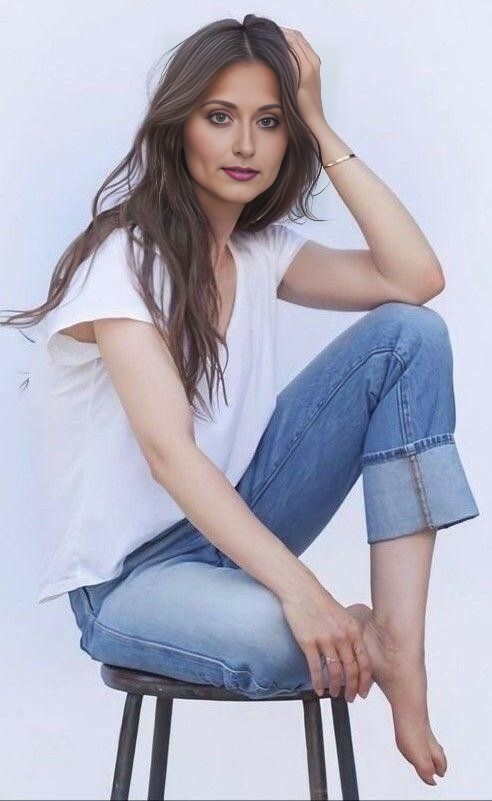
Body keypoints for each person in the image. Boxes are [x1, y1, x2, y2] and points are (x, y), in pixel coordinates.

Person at [1, 14, 479, 788]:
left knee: (410, 337)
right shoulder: (125, 261)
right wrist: (309, 595)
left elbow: (413, 278)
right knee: (291, 641)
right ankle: (358, 636)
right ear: (180, 125)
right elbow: (170, 455)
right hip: (130, 583)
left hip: (238, 521)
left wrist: (320, 119)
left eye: (271, 121)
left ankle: (397, 642)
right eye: (220, 117)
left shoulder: (262, 250)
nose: (246, 145)